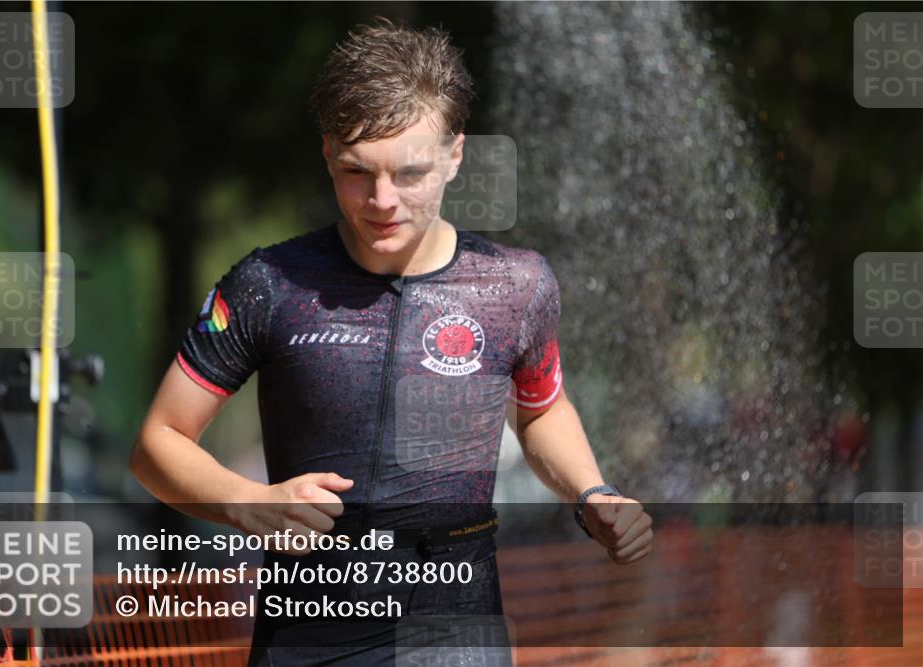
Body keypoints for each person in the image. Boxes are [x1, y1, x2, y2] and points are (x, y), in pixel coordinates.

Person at [130, 16, 653, 666]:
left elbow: (542, 408)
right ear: (326, 152)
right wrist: (250, 504)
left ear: (456, 155)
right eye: (357, 171)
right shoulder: (268, 283)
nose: (382, 200)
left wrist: (591, 491)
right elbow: (156, 443)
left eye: (409, 173)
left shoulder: (516, 284)